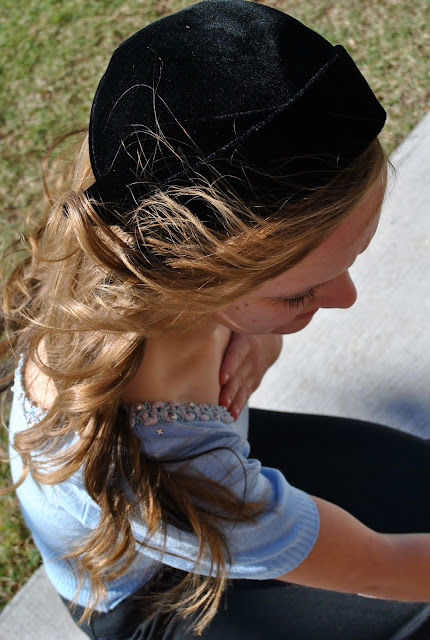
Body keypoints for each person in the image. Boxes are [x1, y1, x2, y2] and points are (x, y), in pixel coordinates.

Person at [3, 1, 430, 638]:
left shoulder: (135, 246)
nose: (345, 299)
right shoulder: (165, 462)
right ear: (195, 277)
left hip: (220, 469)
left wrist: (254, 343)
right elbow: (379, 565)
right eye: (299, 295)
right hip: (151, 592)